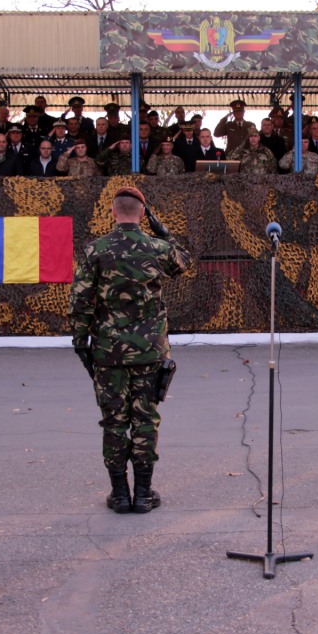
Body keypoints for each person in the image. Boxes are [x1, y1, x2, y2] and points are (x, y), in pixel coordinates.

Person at [70, 186, 191, 514]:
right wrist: (161, 228)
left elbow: (80, 302)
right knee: (145, 420)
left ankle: (120, 494)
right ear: (141, 213)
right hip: (150, 352)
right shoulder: (157, 248)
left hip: (108, 353)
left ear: (113, 212)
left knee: (114, 421)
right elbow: (184, 260)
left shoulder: (96, 250)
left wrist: (81, 344)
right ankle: (144, 493)